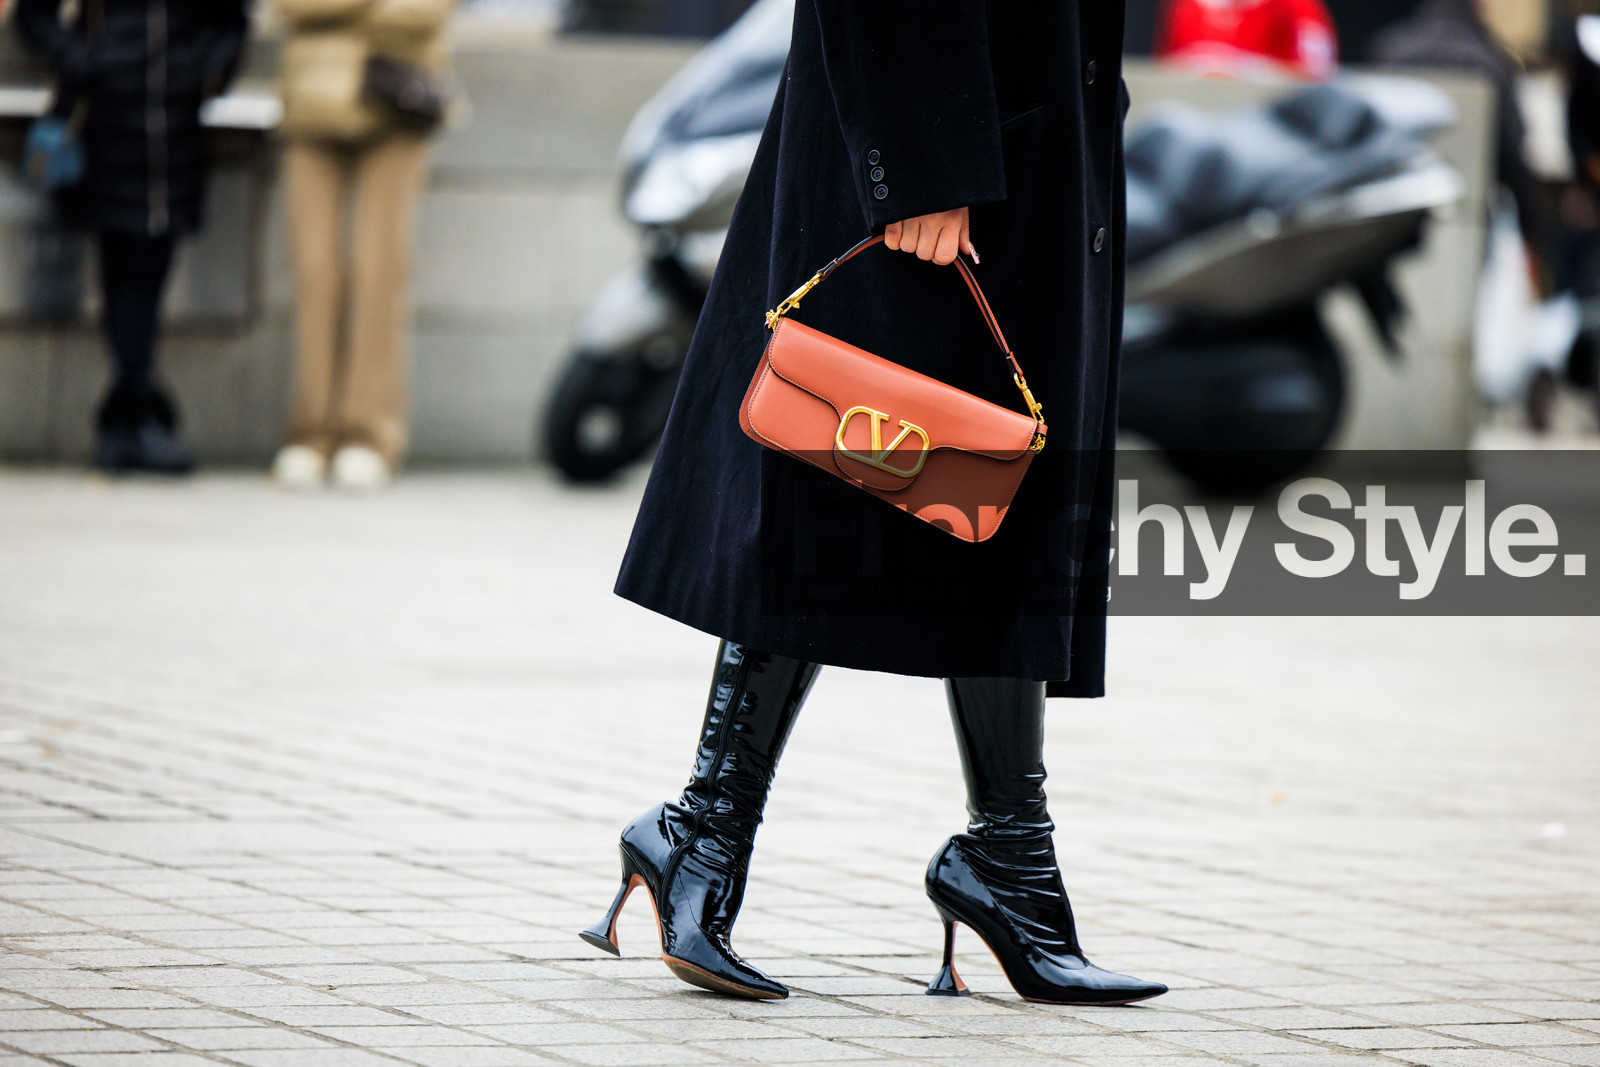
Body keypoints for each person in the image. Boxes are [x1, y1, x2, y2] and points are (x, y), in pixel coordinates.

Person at [581, 1, 1167, 1005]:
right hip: (934, 145)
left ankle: (1007, 864)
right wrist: (921, 156)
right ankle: (704, 828)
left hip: (1027, 130)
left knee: (996, 493)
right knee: (840, 475)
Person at [14, 0, 250, 474]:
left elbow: (231, 25)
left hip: (173, 131)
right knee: (120, 269)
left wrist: (203, 76)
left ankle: (130, 417)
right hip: (103, 124)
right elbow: (32, 15)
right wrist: (85, 60)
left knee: (148, 270)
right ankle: (138, 414)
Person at [269, 0, 454, 491]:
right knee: (313, 268)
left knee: (380, 269)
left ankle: (369, 435)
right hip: (309, 96)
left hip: (397, 92)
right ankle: (311, 433)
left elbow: (424, 12)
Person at [1158, 0, 1340, 81]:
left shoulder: (1298, 7)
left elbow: (1317, 77)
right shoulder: (1187, 6)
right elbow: (1166, 71)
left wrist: (1246, 72)